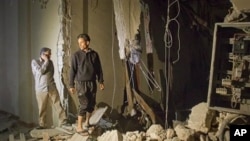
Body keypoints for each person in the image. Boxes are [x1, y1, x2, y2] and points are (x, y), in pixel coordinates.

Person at [69, 33, 104, 133]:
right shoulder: (76, 55)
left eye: (81, 42)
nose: (79, 44)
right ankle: (79, 126)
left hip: (92, 82)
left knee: (91, 104)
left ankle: (87, 122)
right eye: (78, 43)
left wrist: (101, 81)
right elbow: (72, 71)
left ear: (87, 42)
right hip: (81, 83)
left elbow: (99, 69)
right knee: (84, 104)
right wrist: (71, 85)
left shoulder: (94, 54)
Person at [31, 47, 69, 129]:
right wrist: (46, 61)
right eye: (48, 55)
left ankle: (63, 121)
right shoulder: (35, 62)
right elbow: (41, 71)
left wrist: (48, 61)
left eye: (50, 55)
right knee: (42, 108)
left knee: (58, 105)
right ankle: (42, 124)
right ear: (42, 55)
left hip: (51, 87)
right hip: (41, 89)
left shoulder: (50, 62)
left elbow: (50, 74)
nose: (50, 56)